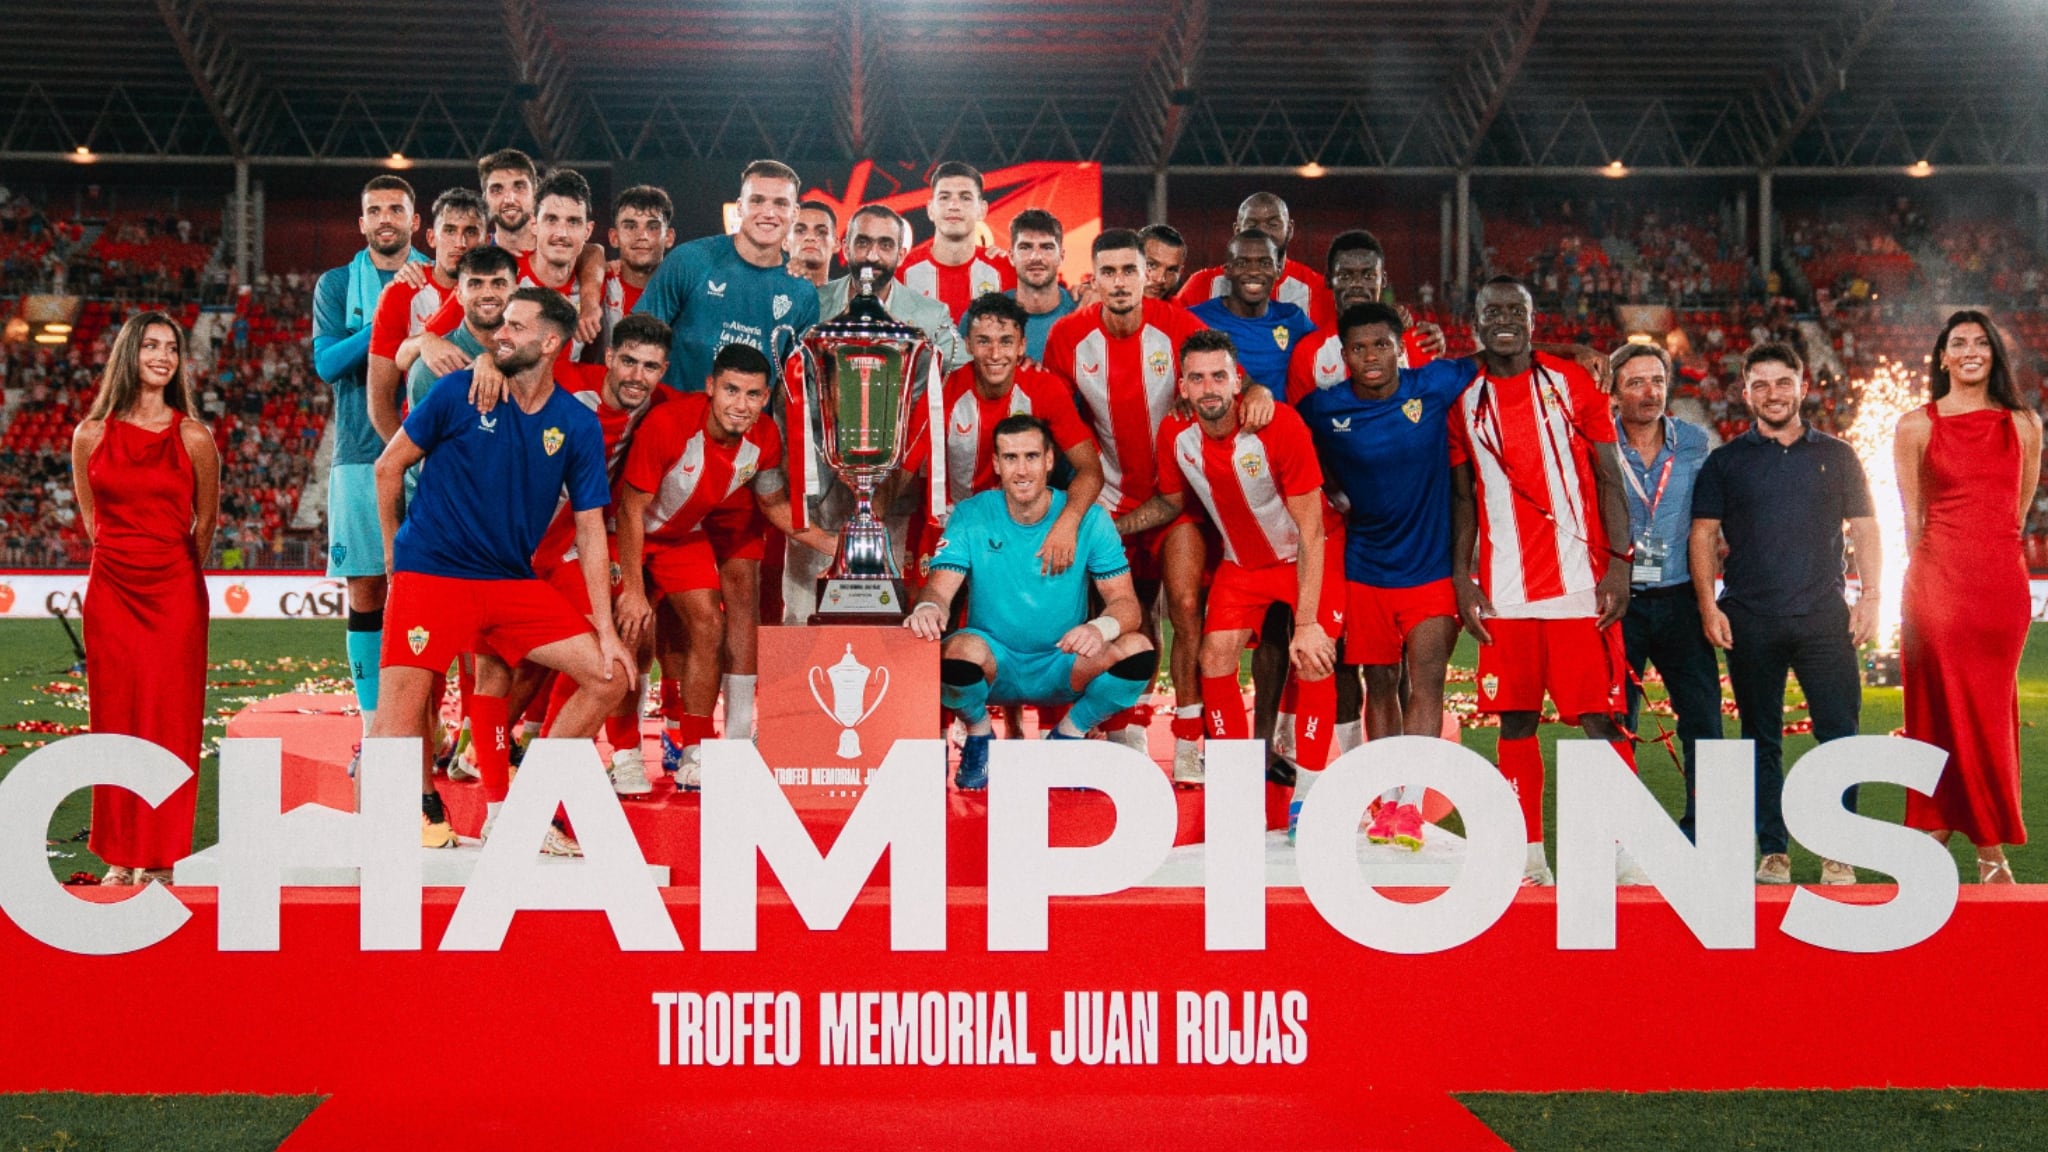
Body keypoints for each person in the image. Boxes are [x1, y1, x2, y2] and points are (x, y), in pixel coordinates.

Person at [370, 288, 632, 851]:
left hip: (509, 582)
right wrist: (398, 564)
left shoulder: (575, 425)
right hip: (432, 574)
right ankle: (380, 852)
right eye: (501, 325)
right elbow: (387, 468)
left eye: (515, 326)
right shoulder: (458, 392)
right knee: (394, 723)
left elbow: (590, 529)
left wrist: (607, 630)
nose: (500, 334)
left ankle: (524, 811)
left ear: (551, 342)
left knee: (612, 676)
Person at [1450, 277, 1637, 887]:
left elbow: (1609, 475)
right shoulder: (1463, 397)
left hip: (1582, 584)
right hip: (1504, 590)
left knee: (1600, 721)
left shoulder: (1570, 382)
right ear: (1475, 321)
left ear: (1533, 319)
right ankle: (1528, 855)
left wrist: (1619, 564)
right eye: (1491, 310)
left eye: (1515, 310)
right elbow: (1462, 497)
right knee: (1516, 720)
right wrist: (1463, 576)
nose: (1504, 319)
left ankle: (1624, 848)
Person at [634, 159, 823, 752]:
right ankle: (664, 726)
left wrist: (790, 467)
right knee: (660, 601)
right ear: (739, 206)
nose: (769, 212)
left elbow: (794, 393)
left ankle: (736, 737)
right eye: (758, 200)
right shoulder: (691, 262)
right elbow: (640, 342)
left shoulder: (800, 296)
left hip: (745, 470)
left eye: (782, 204)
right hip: (670, 461)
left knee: (739, 595)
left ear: (795, 218)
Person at [1117, 331, 1343, 806]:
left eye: (1219, 376)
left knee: (1314, 657)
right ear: (1182, 387)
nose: (1209, 388)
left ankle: (1310, 792)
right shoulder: (1176, 435)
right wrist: (1110, 528)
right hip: (1243, 567)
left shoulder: (1280, 426)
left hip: (1305, 554)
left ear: (1238, 380)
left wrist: (1305, 623)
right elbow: (1171, 502)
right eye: (1197, 378)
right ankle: (1239, 784)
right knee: (1214, 658)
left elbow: (1311, 532)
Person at [1690, 342, 1880, 887]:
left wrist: (1870, 598)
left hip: (1825, 619)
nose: (1773, 394)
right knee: (1759, 738)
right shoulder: (1725, 461)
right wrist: (1708, 604)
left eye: (1782, 382)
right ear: (1745, 393)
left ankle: (1837, 850)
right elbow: (1702, 535)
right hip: (1751, 619)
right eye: (1760, 385)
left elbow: (1865, 529)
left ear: (1803, 386)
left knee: (1839, 735)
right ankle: (1772, 849)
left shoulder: (1839, 455)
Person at [1042, 229, 1226, 766]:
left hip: (1176, 498)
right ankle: (1129, 726)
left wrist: (1257, 392)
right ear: (1092, 279)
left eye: (1130, 270)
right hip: (1109, 501)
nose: (1119, 282)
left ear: (1148, 275)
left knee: (1187, 608)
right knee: (1130, 617)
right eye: (1109, 272)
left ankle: (1191, 740)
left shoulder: (1180, 328)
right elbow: (1056, 414)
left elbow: (1222, 377)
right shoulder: (1067, 338)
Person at [1297, 303, 1477, 846]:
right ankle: (1383, 791)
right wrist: (1331, 486)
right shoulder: (1323, 409)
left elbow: (1500, 356)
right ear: (1343, 355)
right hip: (1365, 570)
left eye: (1381, 345)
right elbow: (1286, 441)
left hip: (1430, 568)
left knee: (1425, 682)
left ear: (1400, 346)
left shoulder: (1434, 384)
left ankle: (1409, 805)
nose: (1371, 357)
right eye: (1359, 348)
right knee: (1379, 684)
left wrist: (1579, 354)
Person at [616, 344, 836, 786]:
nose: (741, 405)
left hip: (681, 538)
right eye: (731, 390)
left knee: (709, 626)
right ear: (710, 387)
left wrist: (833, 543)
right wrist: (634, 589)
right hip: (628, 534)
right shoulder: (669, 424)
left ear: (765, 396)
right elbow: (628, 509)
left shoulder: (765, 437)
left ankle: (695, 750)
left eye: (753, 395)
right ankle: (625, 755)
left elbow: (773, 505)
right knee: (634, 632)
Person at [905, 414, 1158, 790]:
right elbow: (940, 590)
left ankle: (1068, 735)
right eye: (1010, 458)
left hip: (1062, 661)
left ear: (1049, 460)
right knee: (955, 651)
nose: (1021, 470)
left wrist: (1098, 626)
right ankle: (979, 736)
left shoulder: (1090, 520)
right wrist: (929, 608)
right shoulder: (973, 514)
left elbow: (1127, 605)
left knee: (1137, 649)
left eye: (1031, 456)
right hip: (995, 663)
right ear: (995, 464)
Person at [71, 313, 219, 885]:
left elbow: (204, 523)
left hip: (175, 594)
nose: (163, 356)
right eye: (152, 345)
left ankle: (159, 857)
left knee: (170, 723)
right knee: (114, 721)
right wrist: (126, 559)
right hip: (111, 593)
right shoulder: (90, 434)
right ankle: (117, 854)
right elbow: (93, 521)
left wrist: (171, 569)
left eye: (173, 348)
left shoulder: (193, 436)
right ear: (129, 353)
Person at [1895, 311, 2038, 882]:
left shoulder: (2023, 424)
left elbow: (2017, 511)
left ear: (1995, 355)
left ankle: (1961, 835)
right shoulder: (1915, 425)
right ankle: (1982, 846)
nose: (1972, 350)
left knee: (1987, 711)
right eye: (1960, 343)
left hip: (2001, 588)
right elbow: (1913, 518)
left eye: (1982, 342)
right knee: (1939, 708)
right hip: (1937, 584)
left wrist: (1986, 555)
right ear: (1943, 357)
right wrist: (1936, 575)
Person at [785, 203, 970, 626]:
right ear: (845, 246)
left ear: (902, 253)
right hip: (819, 479)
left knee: (883, 605)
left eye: (885, 244)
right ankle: (801, 689)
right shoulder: (810, 303)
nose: (872, 255)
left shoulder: (929, 314)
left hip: (891, 485)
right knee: (801, 609)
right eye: (863, 242)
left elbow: (967, 369)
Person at [313, 175, 424, 755]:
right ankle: (374, 727)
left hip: (432, 456)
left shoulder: (435, 276)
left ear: (415, 220)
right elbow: (327, 364)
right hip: (360, 454)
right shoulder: (336, 284)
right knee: (366, 591)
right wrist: (387, 313)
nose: (385, 218)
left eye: (396, 209)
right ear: (361, 223)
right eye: (374, 209)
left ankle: (431, 726)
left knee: (437, 592)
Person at [1611, 342, 1720, 842]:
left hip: (1680, 599)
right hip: (1620, 603)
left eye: (1656, 379)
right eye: (1635, 382)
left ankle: (1703, 834)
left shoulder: (1696, 441)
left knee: (1703, 722)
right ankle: (1621, 835)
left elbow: (1715, 517)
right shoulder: (1596, 445)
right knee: (1615, 724)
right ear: (1613, 393)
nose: (1649, 391)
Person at [365, 188, 486, 440]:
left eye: (471, 232)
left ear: (486, 240)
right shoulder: (400, 293)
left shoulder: (501, 292)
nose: (460, 243)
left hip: (489, 437)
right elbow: (380, 399)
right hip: (427, 441)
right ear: (431, 237)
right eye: (450, 230)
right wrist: (406, 461)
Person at [1175, 192, 1336, 329]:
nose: (1263, 232)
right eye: (1252, 225)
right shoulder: (1202, 285)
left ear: (1290, 229)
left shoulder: (1318, 290)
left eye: (1273, 224)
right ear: (1237, 231)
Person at [1188, 230, 1317, 392]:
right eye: (1242, 263)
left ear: (1278, 271)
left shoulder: (1293, 318)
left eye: (1264, 263)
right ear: (1227, 270)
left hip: (1278, 416)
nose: (1254, 271)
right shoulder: (1196, 319)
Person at [897, 161, 1016, 322]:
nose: (954, 205)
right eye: (944, 197)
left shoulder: (1006, 270)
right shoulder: (901, 273)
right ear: (930, 209)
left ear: (982, 210)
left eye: (965, 197)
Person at [984, 208, 1077, 361]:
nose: (1036, 257)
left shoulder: (1083, 310)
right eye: (1025, 247)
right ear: (1011, 256)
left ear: (1061, 256)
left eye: (1046, 247)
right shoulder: (985, 317)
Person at [603, 185, 675, 336]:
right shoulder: (596, 285)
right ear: (614, 237)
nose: (642, 235)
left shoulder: (682, 292)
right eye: (630, 226)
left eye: (653, 227)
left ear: (669, 237)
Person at [785, 200, 838, 287]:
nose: (810, 237)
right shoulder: (766, 292)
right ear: (785, 242)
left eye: (821, 232)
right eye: (800, 231)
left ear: (836, 244)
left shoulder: (848, 297)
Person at [1139, 223, 1189, 302]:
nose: (1160, 279)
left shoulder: (1180, 313)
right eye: (1151, 265)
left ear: (1180, 272)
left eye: (1171, 270)